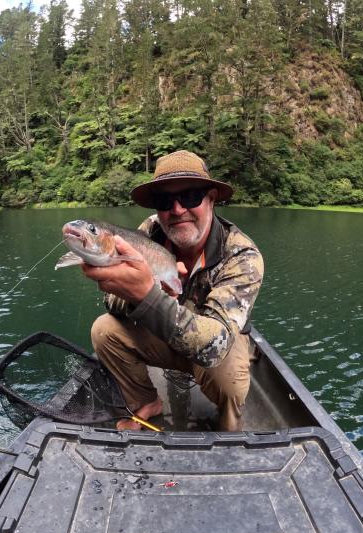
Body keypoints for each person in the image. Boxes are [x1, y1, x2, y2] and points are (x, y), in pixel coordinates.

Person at [82, 150, 264, 431]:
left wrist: (149, 297)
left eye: (191, 196)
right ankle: (146, 400)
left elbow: (216, 346)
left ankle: (230, 425)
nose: (177, 210)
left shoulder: (242, 255)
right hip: (164, 335)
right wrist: (141, 297)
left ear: (211, 199)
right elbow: (111, 300)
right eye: (165, 200)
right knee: (104, 331)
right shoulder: (149, 233)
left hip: (214, 348)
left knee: (229, 378)